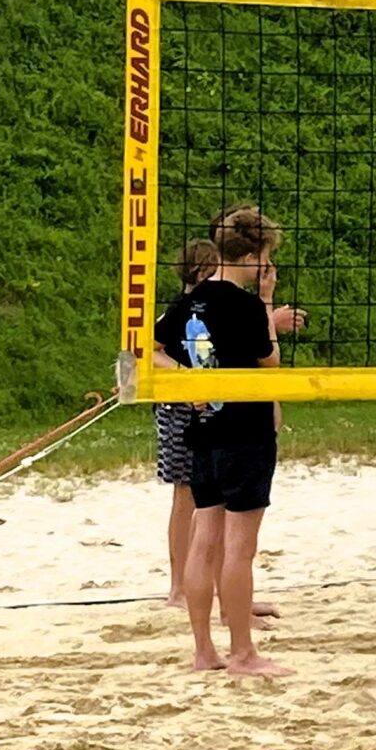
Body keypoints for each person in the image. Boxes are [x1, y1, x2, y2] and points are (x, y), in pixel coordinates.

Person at [155, 206, 287, 678]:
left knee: (205, 540)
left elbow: (148, 349)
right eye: (265, 256)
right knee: (238, 548)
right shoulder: (245, 306)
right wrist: (267, 303)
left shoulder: (190, 300)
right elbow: (270, 363)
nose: (267, 265)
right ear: (250, 257)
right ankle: (243, 653)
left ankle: (204, 651)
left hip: (203, 430)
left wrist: (190, 378)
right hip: (245, 433)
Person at [156, 238, 220, 605]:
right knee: (186, 496)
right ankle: (178, 586)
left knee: (212, 497)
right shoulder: (180, 310)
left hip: (209, 407)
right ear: (202, 271)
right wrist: (187, 377)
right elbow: (147, 353)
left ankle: (203, 582)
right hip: (179, 409)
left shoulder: (214, 308)